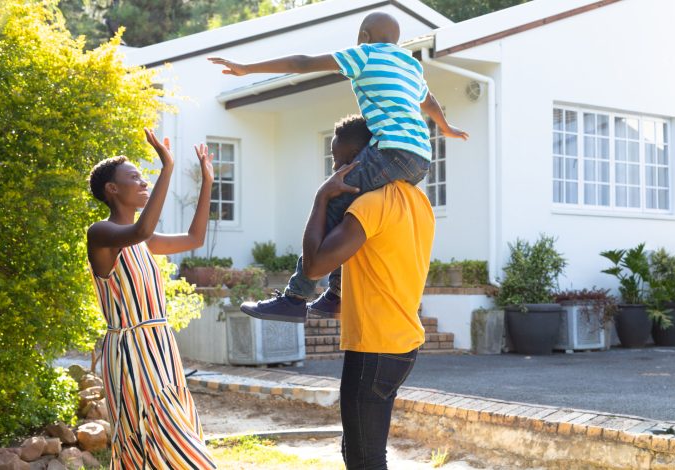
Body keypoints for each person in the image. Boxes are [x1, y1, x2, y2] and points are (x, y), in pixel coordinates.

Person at [209, 11, 467, 322]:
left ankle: (294, 298)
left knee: (333, 198)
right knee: (354, 207)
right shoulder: (409, 64)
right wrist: (446, 127)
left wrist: (247, 68)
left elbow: (302, 63)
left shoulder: (365, 55)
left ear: (365, 36)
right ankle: (336, 295)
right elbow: (429, 101)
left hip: (391, 152)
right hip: (420, 159)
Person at [295, 116, 434, 469]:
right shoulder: (418, 200)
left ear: (366, 159)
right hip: (402, 344)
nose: (338, 172)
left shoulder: (369, 205)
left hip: (374, 345)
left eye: (341, 163)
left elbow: (314, 266)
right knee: (360, 452)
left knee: (364, 459)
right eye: (334, 165)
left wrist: (321, 197)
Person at [86, 128, 217, 469]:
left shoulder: (145, 242)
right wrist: (167, 167)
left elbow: (195, 237)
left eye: (145, 177)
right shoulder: (101, 234)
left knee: (175, 427)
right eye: (135, 177)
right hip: (131, 351)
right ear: (112, 189)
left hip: (161, 346)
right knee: (157, 432)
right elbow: (140, 230)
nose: (143, 182)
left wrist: (208, 182)